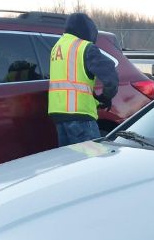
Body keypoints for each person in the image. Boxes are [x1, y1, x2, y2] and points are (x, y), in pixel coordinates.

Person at [48, 13, 118, 147]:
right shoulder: (85, 47)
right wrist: (106, 96)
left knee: (70, 162)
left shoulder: (57, 47)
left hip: (58, 115)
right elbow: (109, 73)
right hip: (80, 116)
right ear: (88, 30)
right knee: (91, 161)